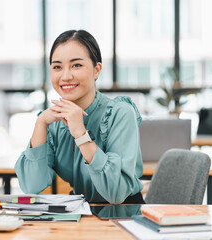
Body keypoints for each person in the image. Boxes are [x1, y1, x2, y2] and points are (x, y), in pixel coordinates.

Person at [15, 30, 145, 204]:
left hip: (124, 215)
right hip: (83, 215)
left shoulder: (120, 113)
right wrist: (40, 123)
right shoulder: (53, 122)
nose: (66, 76)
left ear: (97, 69)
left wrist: (81, 135)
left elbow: (116, 193)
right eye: (57, 67)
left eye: (76, 65)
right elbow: (31, 186)